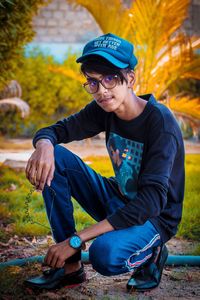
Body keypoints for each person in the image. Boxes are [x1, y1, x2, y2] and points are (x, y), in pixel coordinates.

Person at [24, 33, 185, 291]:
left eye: (110, 78)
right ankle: (71, 268)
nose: (101, 91)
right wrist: (44, 145)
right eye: (93, 82)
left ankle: (153, 253)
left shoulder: (160, 124)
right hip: (119, 198)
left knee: (105, 256)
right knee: (57, 156)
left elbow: (152, 200)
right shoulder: (103, 108)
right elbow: (56, 130)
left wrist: (76, 239)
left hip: (155, 216)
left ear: (130, 78)